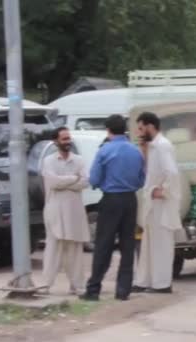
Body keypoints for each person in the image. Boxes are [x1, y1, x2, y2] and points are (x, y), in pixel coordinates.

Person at [80, 115, 145, 301]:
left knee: (103, 245)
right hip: (130, 200)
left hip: (110, 200)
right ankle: (123, 290)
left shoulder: (105, 151)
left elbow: (94, 179)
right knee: (128, 245)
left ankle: (93, 290)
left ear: (108, 130)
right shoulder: (135, 151)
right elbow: (142, 179)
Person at [133, 112, 182, 293]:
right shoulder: (153, 147)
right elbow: (150, 171)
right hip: (152, 203)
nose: (139, 132)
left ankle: (162, 284)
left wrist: (164, 191)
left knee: (162, 245)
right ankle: (144, 281)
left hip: (161, 203)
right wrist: (144, 150)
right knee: (148, 244)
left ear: (150, 126)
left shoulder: (162, 146)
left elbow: (172, 173)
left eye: (141, 128)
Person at [41, 127, 90, 295]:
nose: (68, 141)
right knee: (53, 248)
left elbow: (85, 182)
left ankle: (77, 286)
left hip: (74, 212)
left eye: (69, 138)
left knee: (75, 249)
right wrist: (73, 178)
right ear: (56, 141)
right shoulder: (49, 161)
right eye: (64, 139)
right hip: (55, 210)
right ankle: (45, 285)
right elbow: (53, 182)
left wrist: (66, 182)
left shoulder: (79, 160)